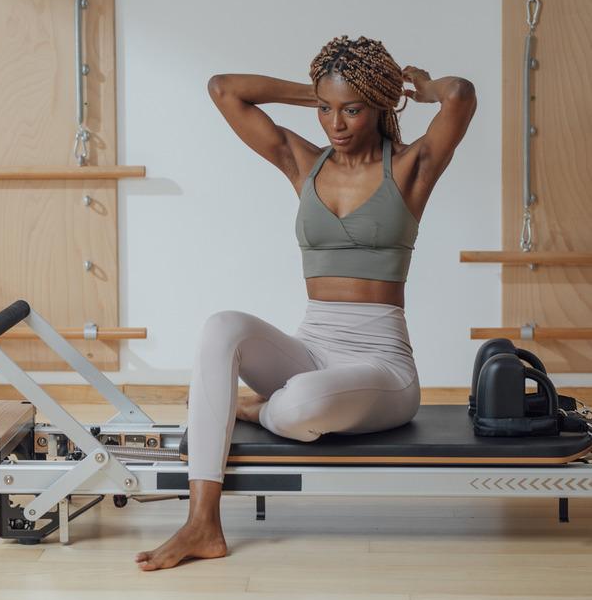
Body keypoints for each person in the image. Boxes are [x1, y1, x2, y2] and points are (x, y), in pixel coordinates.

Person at [135, 34, 477, 571]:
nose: (335, 125)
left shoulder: (410, 169)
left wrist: (424, 87)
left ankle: (249, 407)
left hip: (380, 366)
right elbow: (223, 89)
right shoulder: (304, 163)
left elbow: (460, 96)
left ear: (379, 105)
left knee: (300, 405)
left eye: (352, 110)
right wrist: (319, 90)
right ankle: (202, 522)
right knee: (222, 326)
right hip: (313, 346)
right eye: (326, 110)